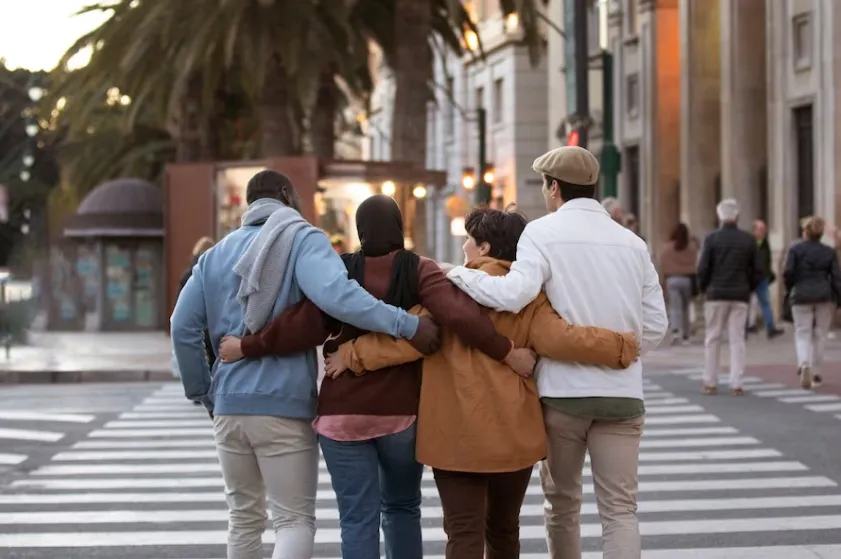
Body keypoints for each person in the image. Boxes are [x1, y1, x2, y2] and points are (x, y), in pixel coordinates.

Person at [216, 194, 534, 559]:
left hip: (341, 415)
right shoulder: (420, 269)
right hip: (400, 414)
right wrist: (506, 351)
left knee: (356, 518)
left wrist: (247, 346)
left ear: (360, 231)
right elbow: (458, 317)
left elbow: (301, 325)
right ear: (399, 227)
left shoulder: (340, 269)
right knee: (401, 508)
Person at [322, 205, 641, 559]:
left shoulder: (449, 290)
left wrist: (349, 354)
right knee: (504, 530)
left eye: (470, 240)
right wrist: (622, 345)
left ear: (485, 247)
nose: (464, 248)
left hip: (455, 438)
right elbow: (562, 338)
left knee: (462, 533)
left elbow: (407, 340)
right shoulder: (530, 300)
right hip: (513, 435)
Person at [170, 171, 440, 559]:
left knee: (243, 520)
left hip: (229, 407)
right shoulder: (301, 238)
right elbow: (338, 296)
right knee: (293, 521)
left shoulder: (215, 254)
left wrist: (204, 393)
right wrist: (405, 324)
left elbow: (182, 326)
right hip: (283, 405)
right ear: (284, 194)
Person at [445, 146, 668, 559]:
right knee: (620, 511)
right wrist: (624, 354)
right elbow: (656, 324)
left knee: (563, 504)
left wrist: (457, 275)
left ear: (553, 187)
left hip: (564, 393)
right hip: (623, 396)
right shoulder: (632, 243)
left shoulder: (541, 234)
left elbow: (513, 295)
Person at [696, 199, 761, 396]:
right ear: (737, 216)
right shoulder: (748, 240)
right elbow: (758, 269)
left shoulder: (711, 239)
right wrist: (749, 287)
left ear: (720, 216)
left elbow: (703, 268)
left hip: (716, 293)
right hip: (740, 294)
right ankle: (736, 382)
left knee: (713, 338)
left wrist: (704, 287)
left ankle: (710, 381)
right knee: (737, 339)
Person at [784, 216, 841, 388]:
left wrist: (791, 287)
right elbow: (836, 277)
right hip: (824, 295)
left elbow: (788, 272)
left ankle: (804, 364)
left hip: (801, 295)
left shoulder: (795, 249)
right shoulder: (829, 251)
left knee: (802, 332)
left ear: (805, 233)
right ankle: (817, 372)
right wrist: (838, 298)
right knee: (820, 334)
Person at [172, 237, 216, 398]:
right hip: (211, 321)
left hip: (194, 318)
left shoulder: (188, 273)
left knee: (197, 351)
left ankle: (199, 391)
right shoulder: (214, 269)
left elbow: (179, 314)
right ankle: (212, 388)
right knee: (213, 357)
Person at [659, 223, 699, 344]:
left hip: (672, 279)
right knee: (685, 308)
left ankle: (676, 332)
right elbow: (695, 262)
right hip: (687, 279)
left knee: (674, 307)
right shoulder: (692, 247)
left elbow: (663, 264)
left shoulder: (667, 248)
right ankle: (686, 334)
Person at [747, 220, 784, 338]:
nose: (763, 231)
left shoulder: (765, 242)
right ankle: (746, 327)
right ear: (754, 230)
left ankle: (770, 328)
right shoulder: (749, 242)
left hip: (761, 278)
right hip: (750, 277)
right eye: (760, 229)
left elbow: (766, 261)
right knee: (746, 304)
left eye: (764, 229)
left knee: (765, 303)